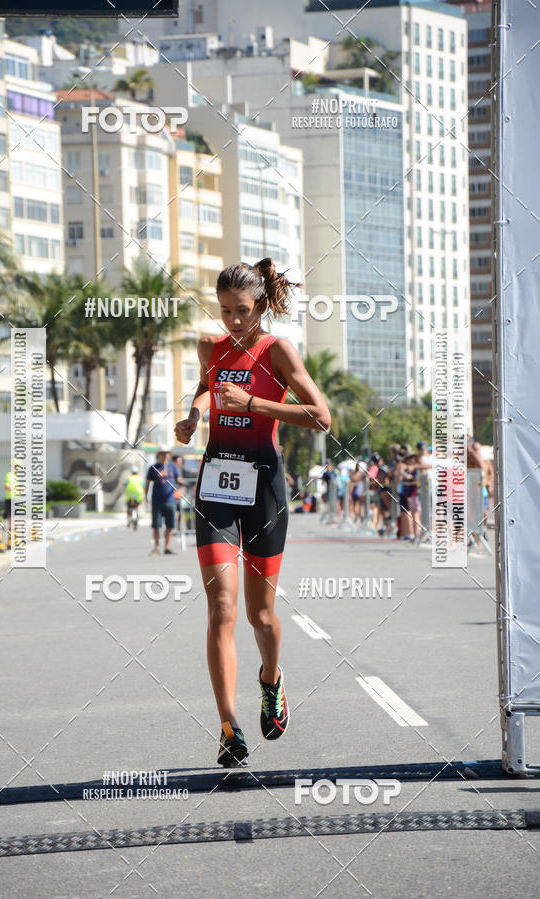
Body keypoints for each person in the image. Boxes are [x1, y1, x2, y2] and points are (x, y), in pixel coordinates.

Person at [174, 258, 331, 767]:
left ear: (260, 305)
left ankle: (272, 678)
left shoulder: (277, 350)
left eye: (242, 311)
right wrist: (194, 413)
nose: (233, 322)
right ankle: (228, 726)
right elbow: (205, 383)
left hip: (264, 481)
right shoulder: (211, 347)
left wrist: (253, 404)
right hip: (217, 481)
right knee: (220, 609)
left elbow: (321, 418)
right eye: (224, 311)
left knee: (259, 615)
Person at [144, 449, 183, 555]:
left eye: (167, 453)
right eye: (163, 453)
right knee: (156, 525)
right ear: (158, 455)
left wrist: (182, 485)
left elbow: (178, 479)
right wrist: (146, 497)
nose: (165, 455)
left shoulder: (172, 466)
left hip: (170, 500)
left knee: (170, 525)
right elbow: (147, 483)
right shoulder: (153, 468)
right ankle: (156, 547)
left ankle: (167, 547)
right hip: (157, 500)